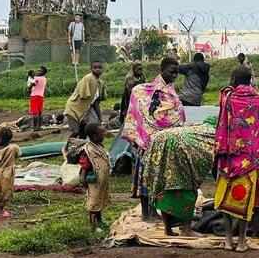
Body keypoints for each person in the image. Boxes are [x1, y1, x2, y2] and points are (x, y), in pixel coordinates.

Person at [122, 57, 186, 220]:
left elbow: (175, 115)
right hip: (148, 142)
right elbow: (139, 111)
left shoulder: (171, 93)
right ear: (162, 69)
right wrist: (140, 135)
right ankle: (145, 213)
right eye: (171, 72)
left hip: (163, 143)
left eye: (177, 73)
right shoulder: (144, 91)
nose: (174, 76)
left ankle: (153, 211)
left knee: (159, 178)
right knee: (145, 177)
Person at [214, 66, 259, 252]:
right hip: (249, 158)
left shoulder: (228, 97)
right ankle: (242, 242)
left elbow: (222, 108)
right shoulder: (258, 99)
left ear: (234, 78)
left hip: (229, 156)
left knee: (226, 197)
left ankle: (228, 240)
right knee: (244, 200)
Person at [144, 120, 214, 238]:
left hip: (161, 138)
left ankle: (167, 229)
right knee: (188, 186)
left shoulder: (201, 127)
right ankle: (186, 230)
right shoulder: (216, 133)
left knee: (165, 184)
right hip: (180, 144)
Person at [79, 122, 111, 235]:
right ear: (95, 137)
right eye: (103, 133)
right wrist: (83, 180)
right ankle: (93, 226)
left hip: (101, 182)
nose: (105, 135)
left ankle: (100, 221)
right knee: (93, 203)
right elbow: (84, 166)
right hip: (93, 182)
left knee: (99, 201)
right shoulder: (89, 150)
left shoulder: (98, 146)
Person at [63, 61, 106, 138]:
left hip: (86, 109)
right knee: (76, 131)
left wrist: (99, 117)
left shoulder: (100, 83)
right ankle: (67, 147)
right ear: (91, 69)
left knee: (83, 132)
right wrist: (84, 116)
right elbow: (85, 98)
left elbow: (95, 102)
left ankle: (81, 148)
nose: (98, 69)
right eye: (95, 68)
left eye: (100, 68)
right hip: (74, 108)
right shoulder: (88, 78)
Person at [0, 128, 21, 219]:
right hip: (7, 173)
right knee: (4, 191)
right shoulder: (14, 147)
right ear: (10, 138)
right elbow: (19, 154)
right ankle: (0, 212)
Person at [29, 66, 48, 131]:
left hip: (34, 96)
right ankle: (39, 126)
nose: (38, 72)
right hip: (41, 97)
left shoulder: (36, 78)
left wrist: (29, 89)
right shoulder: (45, 79)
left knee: (34, 113)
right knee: (40, 113)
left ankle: (34, 127)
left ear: (44, 72)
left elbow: (31, 83)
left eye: (40, 71)